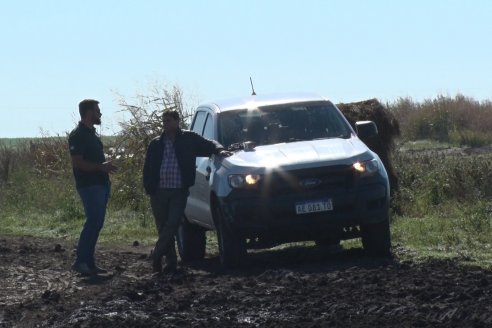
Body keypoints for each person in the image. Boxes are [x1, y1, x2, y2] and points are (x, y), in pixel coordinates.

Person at [143, 110, 231, 274]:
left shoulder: (188, 139)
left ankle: (156, 255)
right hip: (159, 191)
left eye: (168, 121)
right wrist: (149, 187)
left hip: (179, 190)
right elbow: (147, 167)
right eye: (164, 121)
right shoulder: (156, 143)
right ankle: (170, 262)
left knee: (173, 223)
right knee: (163, 227)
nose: (165, 124)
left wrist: (219, 150)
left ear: (177, 122)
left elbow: (209, 143)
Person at [68, 99, 117, 276]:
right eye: (97, 111)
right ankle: (81, 262)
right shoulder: (78, 135)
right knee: (93, 223)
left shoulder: (91, 134)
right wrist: (100, 167)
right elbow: (78, 163)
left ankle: (89, 262)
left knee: (96, 224)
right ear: (89, 113)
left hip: (100, 184)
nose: (100, 114)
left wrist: (104, 167)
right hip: (89, 186)